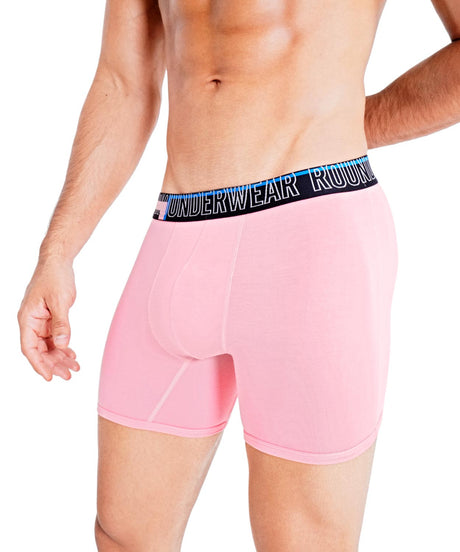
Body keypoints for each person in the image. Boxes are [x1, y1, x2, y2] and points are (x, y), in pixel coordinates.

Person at [17, 0, 460, 550]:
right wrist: (57, 252)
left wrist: (358, 120)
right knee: (123, 535)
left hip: (309, 235)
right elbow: (123, 80)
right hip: (176, 239)